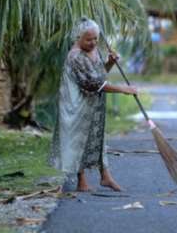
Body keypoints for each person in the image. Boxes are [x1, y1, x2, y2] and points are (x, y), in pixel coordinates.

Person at [49, 18, 137, 192]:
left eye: (96, 39)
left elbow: (99, 75)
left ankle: (106, 176)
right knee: (80, 140)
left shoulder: (94, 50)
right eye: (89, 39)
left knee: (97, 138)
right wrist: (122, 89)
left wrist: (110, 63)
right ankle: (81, 180)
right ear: (78, 37)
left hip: (91, 102)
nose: (93, 43)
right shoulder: (75, 57)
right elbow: (93, 83)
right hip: (75, 105)